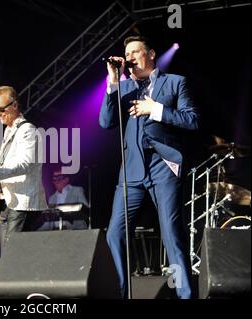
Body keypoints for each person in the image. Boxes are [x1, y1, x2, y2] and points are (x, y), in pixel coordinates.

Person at [99, 36, 199, 299]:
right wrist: (112, 81)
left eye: (135, 51)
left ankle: (185, 295)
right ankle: (120, 292)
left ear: (152, 54)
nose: (129, 57)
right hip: (131, 170)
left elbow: (192, 119)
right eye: (126, 53)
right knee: (115, 234)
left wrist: (155, 109)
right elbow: (105, 121)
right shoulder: (125, 87)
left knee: (171, 234)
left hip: (162, 167)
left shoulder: (175, 82)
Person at [0, 86, 48, 254]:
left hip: (23, 203)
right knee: (7, 257)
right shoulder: (9, 131)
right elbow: (4, 164)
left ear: (15, 105)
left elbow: (25, 164)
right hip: (9, 201)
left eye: (2, 109)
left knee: (13, 257)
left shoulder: (28, 130)